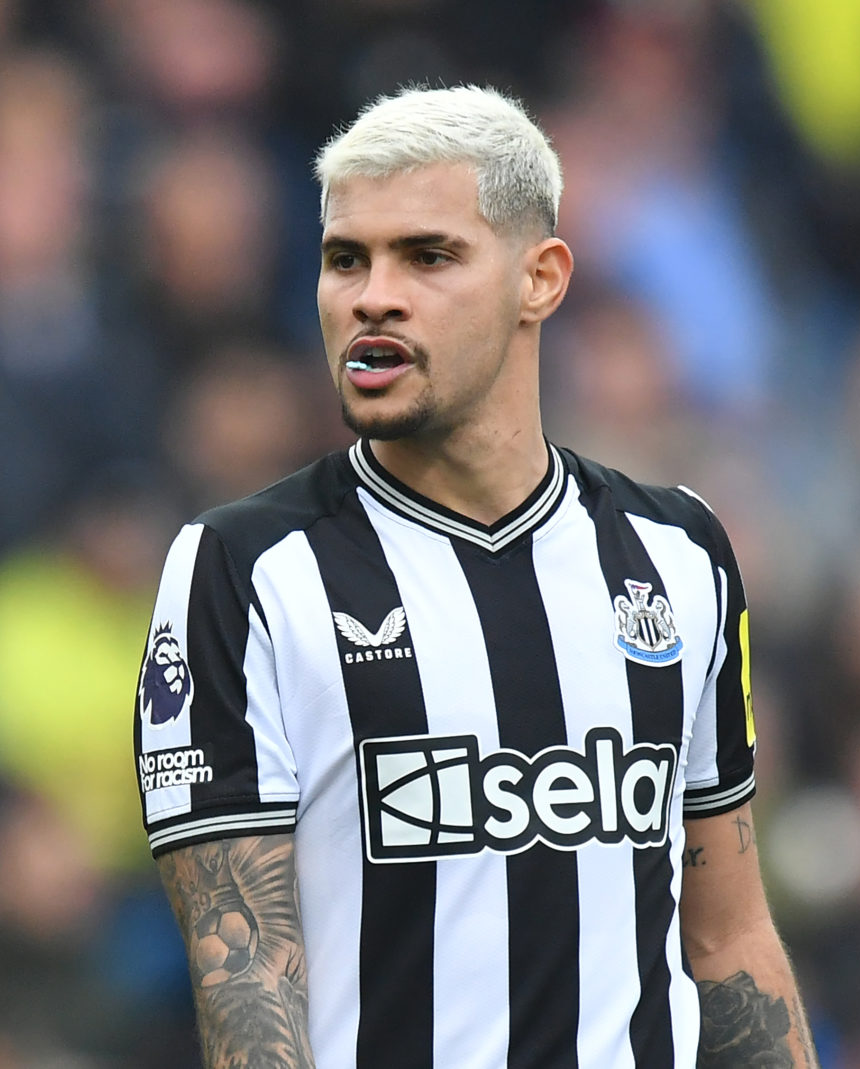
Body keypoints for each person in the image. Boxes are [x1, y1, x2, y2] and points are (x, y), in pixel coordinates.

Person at [135, 84, 820, 1069]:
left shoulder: (679, 552)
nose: (372, 293)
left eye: (426, 254)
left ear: (540, 279)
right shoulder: (245, 571)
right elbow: (248, 979)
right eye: (345, 259)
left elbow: (728, 940)